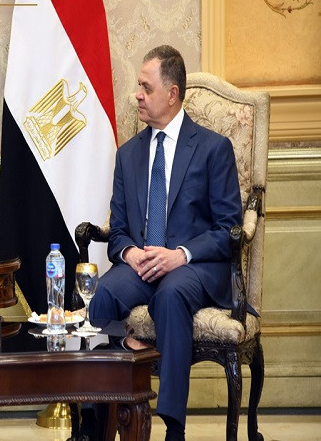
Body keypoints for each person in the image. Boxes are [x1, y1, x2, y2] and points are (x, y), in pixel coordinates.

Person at [88, 45, 243, 441]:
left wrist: (180, 255)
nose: (137, 95)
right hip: (141, 265)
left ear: (172, 94)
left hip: (192, 268)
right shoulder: (128, 155)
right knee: (101, 295)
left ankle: (174, 429)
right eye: (138, 86)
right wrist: (130, 253)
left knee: (171, 296)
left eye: (146, 87)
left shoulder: (213, 149)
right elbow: (118, 232)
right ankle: (97, 421)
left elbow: (228, 228)